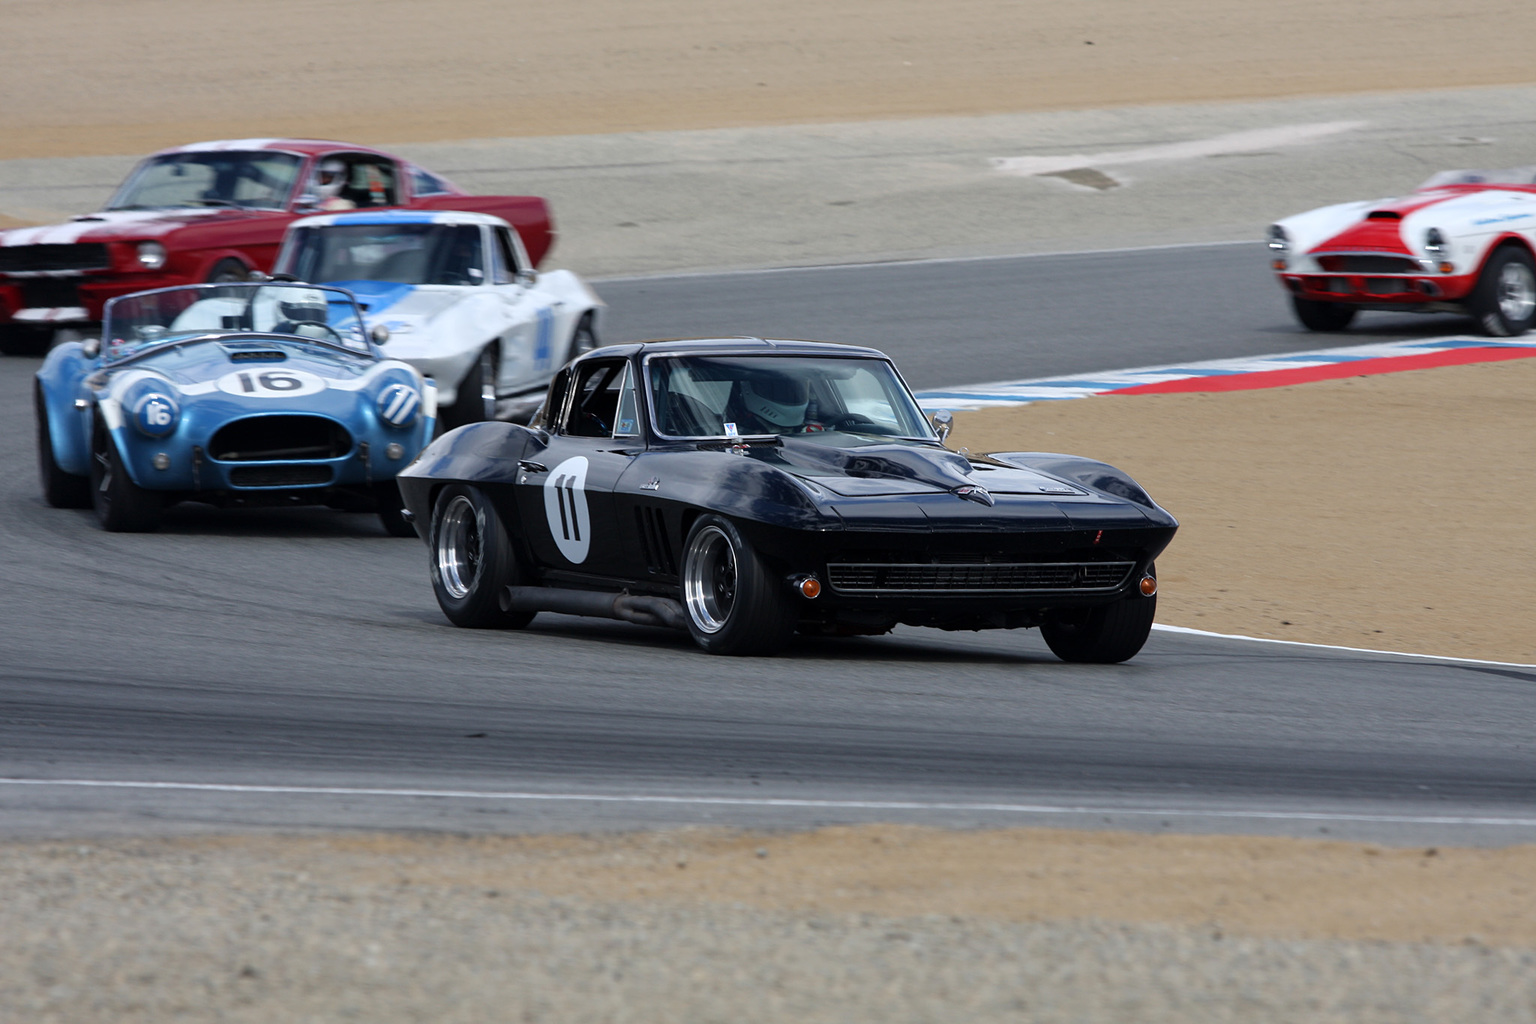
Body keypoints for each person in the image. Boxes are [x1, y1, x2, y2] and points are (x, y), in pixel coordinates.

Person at [723, 368, 811, 435]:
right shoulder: (736, 431)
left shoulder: (814, 430)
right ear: (747, 391)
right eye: (779, 391)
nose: (790, 394)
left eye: (795, 390)